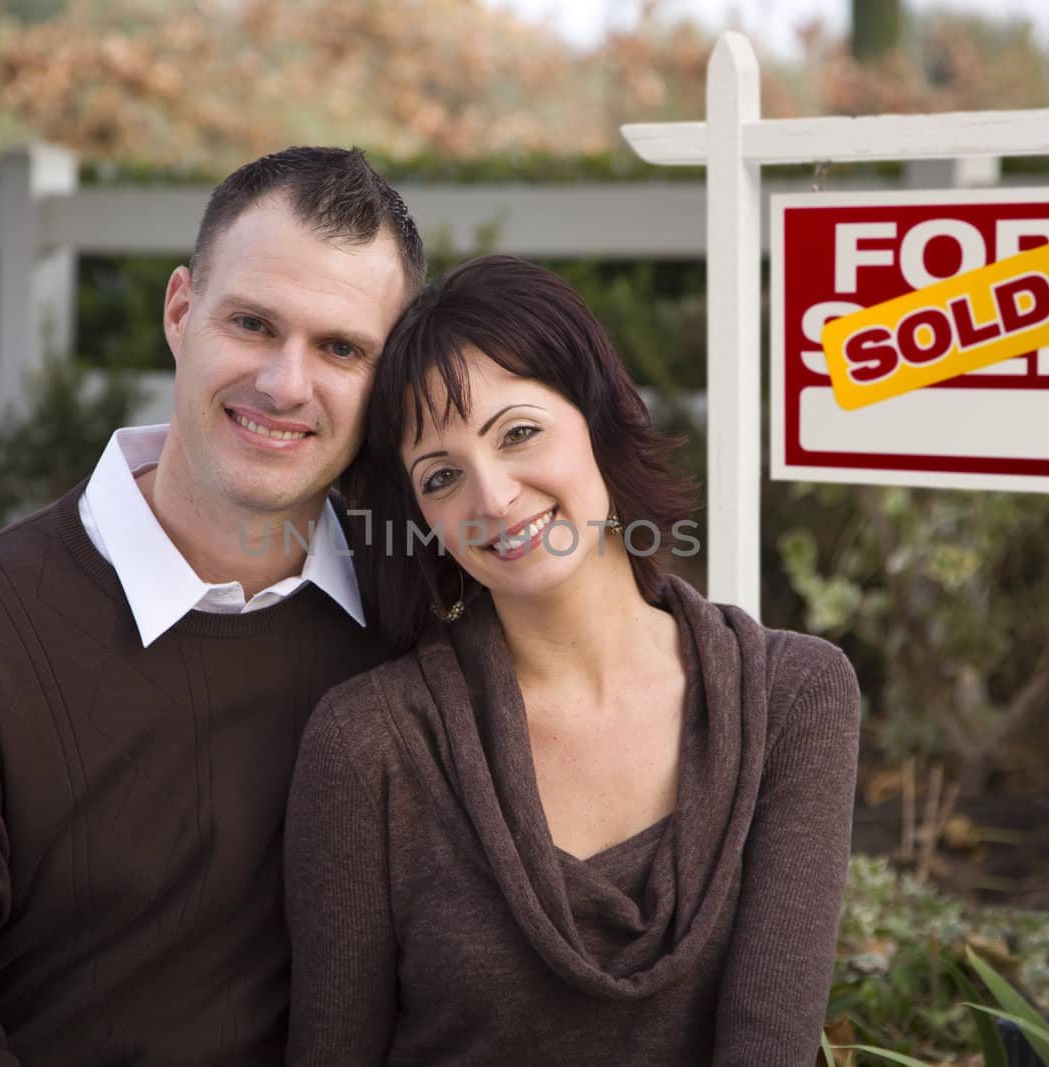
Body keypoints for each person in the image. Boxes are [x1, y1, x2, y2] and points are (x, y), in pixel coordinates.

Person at [0, 146, 426, 1066]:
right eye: (253, 323)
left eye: (341, 348)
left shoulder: (415, 615)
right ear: (180, 310)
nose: (287, 384)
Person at [284, 255, 861, 1066]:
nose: (492, 497)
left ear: (600, 417)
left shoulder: (793, 697)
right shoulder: (368, 743)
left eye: (518, 433)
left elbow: (769, 1043)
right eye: (442, 475)